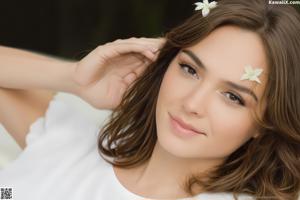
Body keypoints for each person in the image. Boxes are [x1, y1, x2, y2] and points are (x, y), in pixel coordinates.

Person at [0, 0, 299, 199]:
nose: (192, 104)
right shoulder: (72, 145)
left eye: (233, 96)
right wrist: (75, 78)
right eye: (189, 69)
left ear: (268, 120)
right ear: (164, 63)